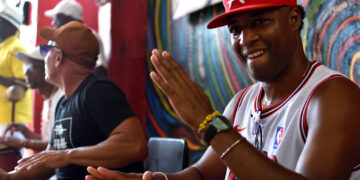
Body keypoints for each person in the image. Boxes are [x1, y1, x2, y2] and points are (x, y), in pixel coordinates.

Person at [86, 0, 360, 179]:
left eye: (259, 21)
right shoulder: (242, 102)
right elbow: (204, 174)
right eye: (235, 29)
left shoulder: (333, 97)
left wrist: (210, 125)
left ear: (293, 19)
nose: (246, 39)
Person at [0, 21, 148, 179]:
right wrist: (9, 177)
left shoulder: (98, 91)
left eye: (46, 51)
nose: (44, 59)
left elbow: (135, 145)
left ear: (58, 57)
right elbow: (50, 161)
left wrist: (68, 155)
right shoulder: (63, 103)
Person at [0, 46, 64, 152]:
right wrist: (25, 132)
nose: (26, 72)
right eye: (26, 66)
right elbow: (50, 142)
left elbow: (60, 145)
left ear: (47, 68)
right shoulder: (50, 99)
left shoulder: (60, 99)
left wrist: (23, 143)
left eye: (32, 66)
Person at [44, 0, 108, 77]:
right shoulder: (57, 40)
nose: (53, 23)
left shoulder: (89, 36)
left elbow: (100, 70)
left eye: (56, 18)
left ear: (68, 19)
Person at [0, 6, 31, 136]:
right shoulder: (3, 48)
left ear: (11, 27)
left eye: (1, 22)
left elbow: (24, 83)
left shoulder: (17, 48)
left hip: (13, 118)